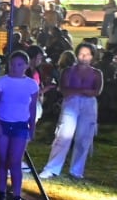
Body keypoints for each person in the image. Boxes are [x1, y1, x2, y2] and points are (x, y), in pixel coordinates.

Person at [39, 42, 102, 181]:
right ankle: (51, 168)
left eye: (87, 54)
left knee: (84, 138)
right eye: (81, 54)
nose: (83, 57)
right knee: (63, 135)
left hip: (88, 105)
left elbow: (96, 91)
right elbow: (64, 89)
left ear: (92, 57)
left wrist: (80, 92)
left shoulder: (97, 73)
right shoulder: (68, 71)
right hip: (71, 103)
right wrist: (83, 91)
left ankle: (76, 170)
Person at [0, 50, 41, 200]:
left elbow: (32, 108)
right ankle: (1, 192)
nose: (15, 67)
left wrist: (32, 127)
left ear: (26, 66)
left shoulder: (31, 84)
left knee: (15, 162)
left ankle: (17, 195)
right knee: (2, 160)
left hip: (20, 125)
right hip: (3, 124)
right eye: (12, 64)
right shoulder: (1, 82)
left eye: (19, 64)